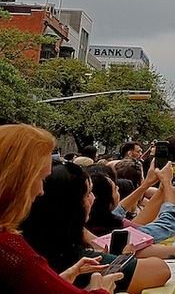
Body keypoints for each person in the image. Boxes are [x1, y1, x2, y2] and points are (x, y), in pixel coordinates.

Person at [0, 124, 128, 294]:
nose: (41, 190)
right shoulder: (9, 247)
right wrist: (102, 289)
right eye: (41, 178)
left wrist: (57, 282)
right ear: (17, 181)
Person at [21, 160, 175, 293]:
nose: (92, 198)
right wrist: (166, 187)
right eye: (88, 193)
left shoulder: (26, 246)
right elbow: (159, 270)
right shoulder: (73, 256)